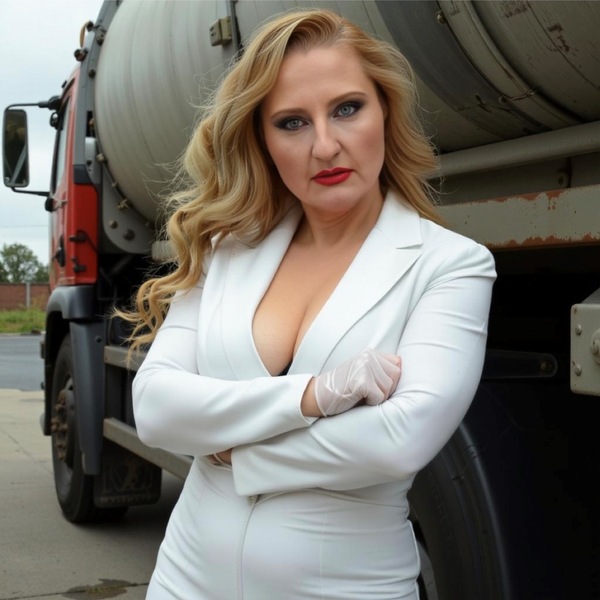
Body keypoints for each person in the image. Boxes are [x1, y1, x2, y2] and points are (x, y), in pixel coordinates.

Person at [123, 8, 496, 599]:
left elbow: (399, 441)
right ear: (263, 140)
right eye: (292, 122)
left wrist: (231, 452)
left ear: (385, 111)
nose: (325, 146)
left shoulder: (449, 264)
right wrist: (313, 396)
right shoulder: (227, 250)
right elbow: (155, 409)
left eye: (347, 108)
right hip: (183, 581)